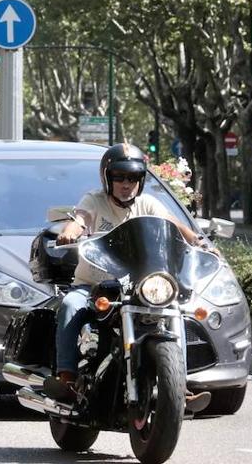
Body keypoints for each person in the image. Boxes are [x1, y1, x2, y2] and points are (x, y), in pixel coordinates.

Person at [43, 142, 212, 413]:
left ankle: (180, 388)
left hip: (138, 287)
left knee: (177, 310)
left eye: (133, 177)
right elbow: (82, 218)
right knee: (70, 305)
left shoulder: (148, 203)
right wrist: (71, 230)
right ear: (107, 178)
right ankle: (67, 379)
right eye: (119, 177)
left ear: (141, 180)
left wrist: (198, 241)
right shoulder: (94, 200)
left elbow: (173, 224)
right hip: (95, 286)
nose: (126, 183)